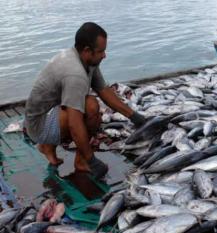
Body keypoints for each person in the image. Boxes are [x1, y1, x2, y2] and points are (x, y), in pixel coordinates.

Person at [24, 22, 144, 178]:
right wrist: (92, 160)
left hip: (48, 113)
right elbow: (74, 123)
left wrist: (135, 117)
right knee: (91, 107)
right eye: (101, 51)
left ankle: (48, 147)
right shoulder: (75, 74)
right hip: (38, 125)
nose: (104, 55)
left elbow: (103, 90)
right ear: (87, 51)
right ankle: (81, 161)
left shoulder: (83, 58)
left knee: (88, 103)